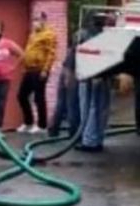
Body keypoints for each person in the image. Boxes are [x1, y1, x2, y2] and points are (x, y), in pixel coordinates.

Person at [76, 12, 113, 152]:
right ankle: (98, 139)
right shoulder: (109, 36)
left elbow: (77, 53)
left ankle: (89, 141)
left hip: (88, 75)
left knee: (89, 108)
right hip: (103, 76)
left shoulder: (83, 34)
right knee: (101, 108)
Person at [17, 12, 57, 134]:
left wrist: (45, 70)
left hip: (40, 69)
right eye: (34, 20)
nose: (35, 22)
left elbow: (51, 54)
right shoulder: (33, 34)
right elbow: (28, 50)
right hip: (29, 69)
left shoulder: (49, 34)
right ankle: (28, 122)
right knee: (21, 95)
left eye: (37, 20)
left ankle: (42, 125)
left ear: (44, 20)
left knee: (39, 97)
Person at [48, 30, 81, 138]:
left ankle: (53, 130)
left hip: (65, 77)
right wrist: (68, 82)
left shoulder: (71, 50)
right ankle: (73, 132)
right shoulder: (76, 51)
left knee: (61, 105)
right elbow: (68, 69)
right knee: (72, 106)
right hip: (70, 78)